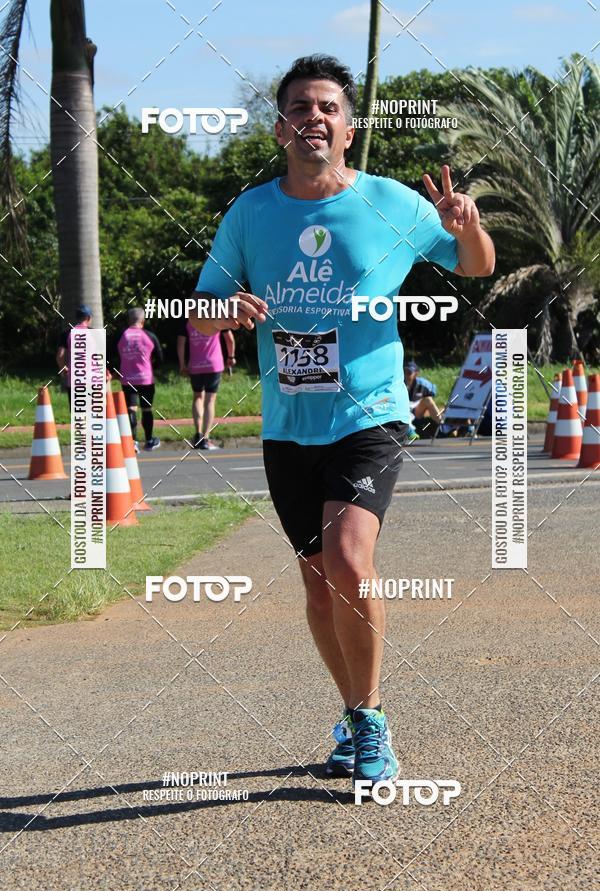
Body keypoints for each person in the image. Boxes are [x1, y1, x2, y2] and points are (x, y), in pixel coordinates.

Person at [188, 55, 495, 787]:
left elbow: (476, 266)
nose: (313, 119)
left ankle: (375, 720)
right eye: (300, 108)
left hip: (371, 412)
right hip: (288, 421)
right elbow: (200, 310)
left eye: (327, 108)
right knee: (318, 581)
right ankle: (354, 715)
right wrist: (223, 312)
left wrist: (467, 227)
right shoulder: (251, 212)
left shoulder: (392, 203)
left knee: (350, 559)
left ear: (348, 129)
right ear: (280, 127)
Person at [177, 318, 236, 450]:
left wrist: (182, 364)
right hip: (214, 365)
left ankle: (198, 434)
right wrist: (231, 357)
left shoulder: (189, 320)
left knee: (197, 397)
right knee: (210, 400)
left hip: (195, 365)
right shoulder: (218, 317)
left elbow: (181, 343)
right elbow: (229, 339)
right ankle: (206, 438)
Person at [116, 307, 163, 451]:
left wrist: (116, 370)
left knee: (131, 408)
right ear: (142, 321)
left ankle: (133, 442)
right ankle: (149, 440)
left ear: (128, 320)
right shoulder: (150, 336)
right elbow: (161, 358)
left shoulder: (120, 336)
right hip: (146, 379)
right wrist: (152, 367)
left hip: (127, 379)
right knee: (146, 409)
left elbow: (110, 356)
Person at [56, 305, 92, 407]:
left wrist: (63, 368)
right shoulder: (95, 334)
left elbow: (60, 355)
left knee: (78, 413)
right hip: (92, 380)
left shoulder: (66, 334)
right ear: (88, 318)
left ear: (77, 317)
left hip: (74, 380)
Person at [404, 360, 443, 439]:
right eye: (405, 372)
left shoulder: (424, 384)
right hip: (403, 410)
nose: (406, 375)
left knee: (428, 399)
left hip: (416, 410)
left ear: (416, 374)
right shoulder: (399, 384)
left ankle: (442, 426)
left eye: (409, 373)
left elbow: (432, 394)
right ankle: (410, 431)